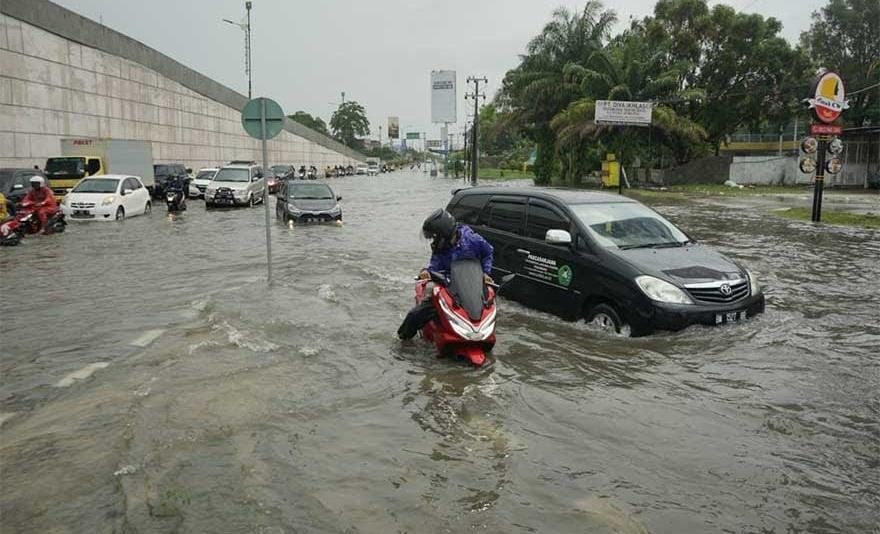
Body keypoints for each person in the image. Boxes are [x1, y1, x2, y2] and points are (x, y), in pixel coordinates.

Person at [397, 209, 494, 340]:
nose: (433, 239)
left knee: (490, 308)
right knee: (417, 314)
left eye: (435, 236)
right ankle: (403, 339)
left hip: (473, 286)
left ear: (444, 233)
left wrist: (486, 273)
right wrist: (427, 272)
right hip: (449, 285)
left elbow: (488, 252)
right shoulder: (441, 248)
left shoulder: (473, 240)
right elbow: (434, 266)